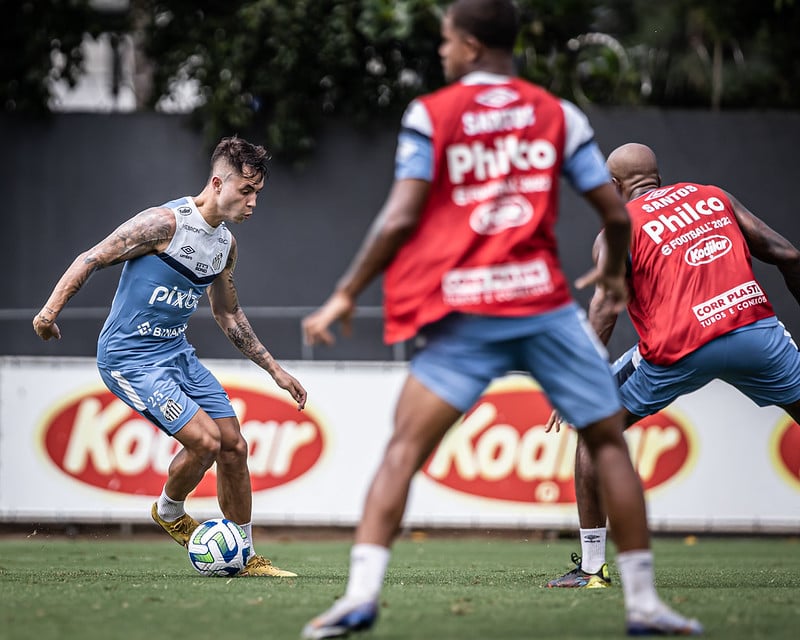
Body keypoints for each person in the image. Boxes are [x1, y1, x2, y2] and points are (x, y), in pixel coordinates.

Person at [299, 1, 701, 636]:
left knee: (402, 449)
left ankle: (359, 596)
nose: (441, 52)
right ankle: (645, 604)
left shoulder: (430, 115)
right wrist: (617, 273)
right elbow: (618, 214)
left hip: (468, 314)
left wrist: (347, 292)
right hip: (545, 311)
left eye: (446, 42)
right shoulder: (559, 116)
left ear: (472, 46)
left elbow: (400, 217)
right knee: (607, 444)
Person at [32, 135, 307, 577]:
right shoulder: (163, 225)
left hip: (175, 354)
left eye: (258, 193)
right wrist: (48, 314)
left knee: (234, 446)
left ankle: (246, 553)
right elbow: (91, 258)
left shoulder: (224, 246)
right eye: (246, 190)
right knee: (206, 440)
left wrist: (275, 370)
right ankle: (170, 510)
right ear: (218, 183)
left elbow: (228, 314)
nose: (254, 202)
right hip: (129, 358)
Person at [545, 142, 800, 590]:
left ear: (613, 186)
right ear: (657, 176)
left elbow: (606, 306)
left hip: (679, 346)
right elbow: (788, 255)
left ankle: (591, 570)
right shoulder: (714, 197)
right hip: (753, 331)